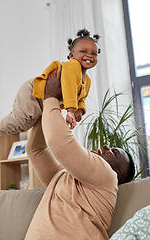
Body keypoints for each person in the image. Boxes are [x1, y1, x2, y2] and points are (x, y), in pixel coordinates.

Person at [24, 66, 136, 240]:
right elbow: (35, 150)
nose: (106, 146)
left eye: (114, 152)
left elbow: (58, 143)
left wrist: (51, 97)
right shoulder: (63, 176)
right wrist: (48, 104)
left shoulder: (107, 177)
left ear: (117, 173)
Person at [0, 29, 100, 152]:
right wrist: (70, 111)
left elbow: (81, 98)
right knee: (20, 119)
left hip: (44, 101)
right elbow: (68, 86)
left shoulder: (87, 80)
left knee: (26, 126)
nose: (89, 56)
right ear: (72, 55)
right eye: (83, 51)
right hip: (33, 92)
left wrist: (80, 110)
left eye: (94, 54)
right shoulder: (72, 66)